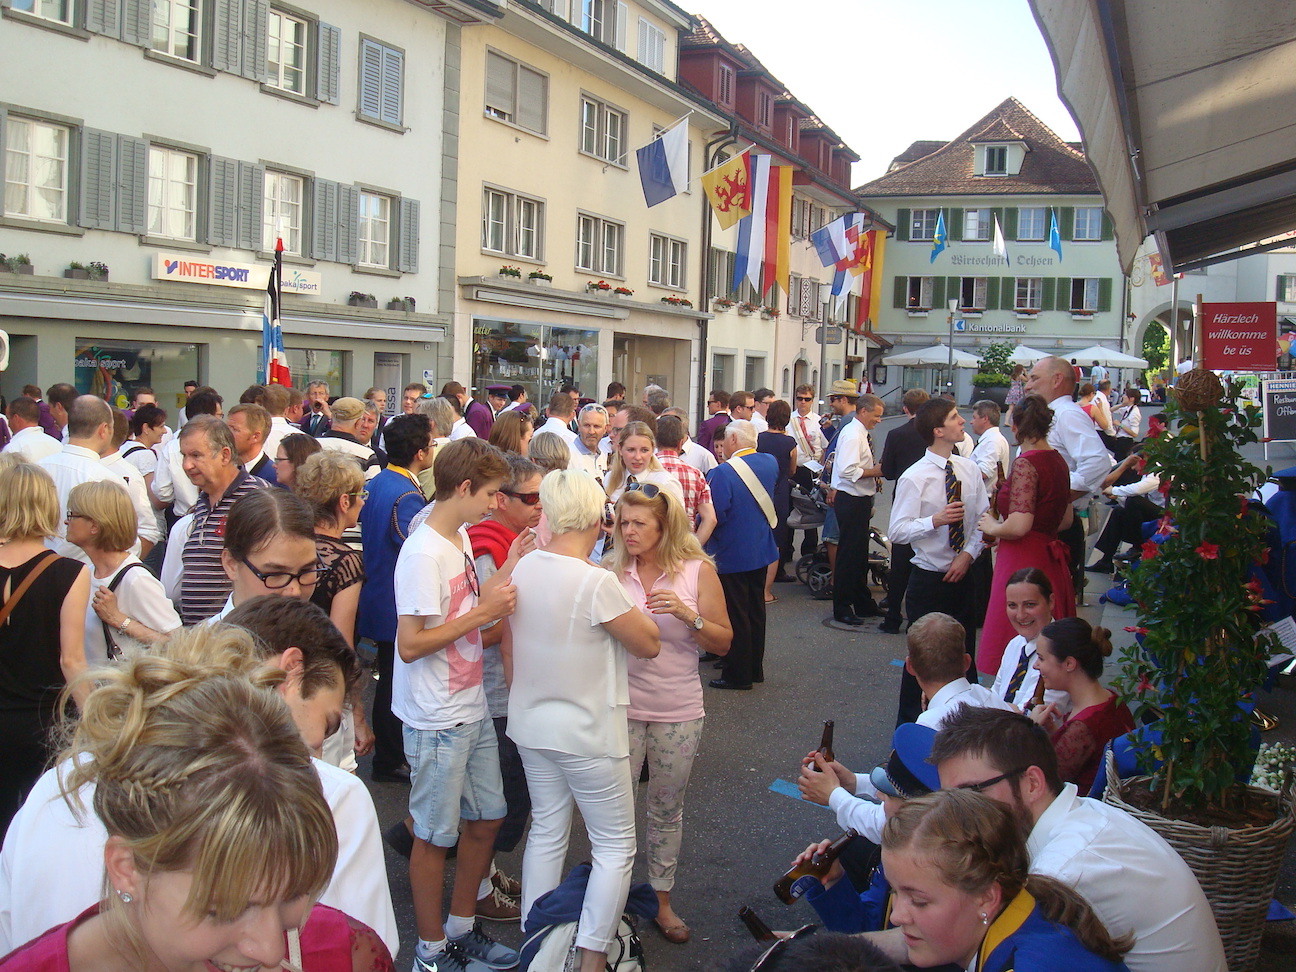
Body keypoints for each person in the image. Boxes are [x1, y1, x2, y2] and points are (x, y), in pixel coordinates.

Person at [0, 631, 395, 972]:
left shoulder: (347, 954)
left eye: (294, 893)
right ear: (126, 868)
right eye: (224, 910)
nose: (271, 949)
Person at [503, 470, 659, 972]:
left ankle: (536, 944)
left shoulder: (526, 566)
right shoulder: (596, 582)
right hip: (589, 732)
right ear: (597, 518)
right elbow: (648, 643)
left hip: (532, 723)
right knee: (614, 846)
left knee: (548, 828)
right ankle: (591, 956)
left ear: (548, 514)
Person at [931, 707, 1227, 972]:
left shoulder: (1062, 871)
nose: (955, 814)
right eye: (948, 799)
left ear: (1032, 783)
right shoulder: (1086, 815)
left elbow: (993, 956)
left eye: (969, 794)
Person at [393, 438, 520, 972]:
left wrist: (513, 563)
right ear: (464, 487)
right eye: (490, 493)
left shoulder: (459, 535)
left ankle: (461, 928)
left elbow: (468, 602)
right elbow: (410, 644)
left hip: (468, 705)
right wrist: (482, 615)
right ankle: (429, 951)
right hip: (436, 717)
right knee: (433, 837)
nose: (495, 503)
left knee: (488, 817)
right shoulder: (424, 552)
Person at [605, 485, 731, 944]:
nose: (629, 531)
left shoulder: (697, 571)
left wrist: (686, 615)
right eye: (624, 522)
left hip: (677, 709)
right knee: (614, 810)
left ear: (665, 527)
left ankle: (660, 900)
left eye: (640, 523)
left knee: (665, 810)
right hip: (620, 707)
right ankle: (610, 900)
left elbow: (723, 642)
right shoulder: (611, 571)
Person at [880, 789, 1132, 970]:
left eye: (919, 901)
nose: (897, 917)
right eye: (894, 892)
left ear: (986, 898)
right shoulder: (1028, 915)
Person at [466, 454, 546, 921]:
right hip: (494, 690)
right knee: (502, 799)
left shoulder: (515, 541)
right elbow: (483, 628)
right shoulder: (486, 547)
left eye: (542, 497)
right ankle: (478, 889)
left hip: (511, 685)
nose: (539, 506)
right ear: (501, 499)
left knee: (504, 795)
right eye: (530, 498)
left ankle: (486, 874)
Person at [0, 460, 90, 836]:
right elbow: (71, 660)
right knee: (44, 828)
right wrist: (97, 720)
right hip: (47, 724)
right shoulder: (69, 573)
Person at [888, 398, 988, 725]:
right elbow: (898, 531)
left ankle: (966, 730)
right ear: (938, 430)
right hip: (929, 580)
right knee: (921, 663)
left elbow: (984, 519)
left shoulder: (969, 469)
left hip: (963, 576)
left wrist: (968, 554)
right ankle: (911, 732)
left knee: (964, 658)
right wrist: (935, 520)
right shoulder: (915, 477)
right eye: (955, 417)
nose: (963, 421)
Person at [357, 413, 434, 784]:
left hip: (377, 590)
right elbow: (413, 546)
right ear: (419, 452)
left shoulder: (381, 481)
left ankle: (389, 757)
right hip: (393, 599)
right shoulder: (405, 494)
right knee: (393, 685)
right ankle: (389, 758)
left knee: (388, 679)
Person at [975, 395, 1076, 674]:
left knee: (1018, 627)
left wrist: (992, 527)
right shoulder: (1058, 461)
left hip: (1022, 555)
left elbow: (1019, 525)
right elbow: (1066, 520)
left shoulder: (1026, 463)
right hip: (1050, 553)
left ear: (1016, 427)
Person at [293, 451, 373, 771]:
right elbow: (342, 645)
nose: (363, 502)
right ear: (344, 501)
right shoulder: (345, 561)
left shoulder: (290, 548)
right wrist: (358, 715)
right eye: (360, 495)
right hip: (325, 689)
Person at [160, 416, 270, 624]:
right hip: (199, 635)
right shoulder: (202, 503)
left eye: (196, 455)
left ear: (225, 455)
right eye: (184, 456)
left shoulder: (257, 497)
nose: (187, 465)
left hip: (238, 632)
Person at [66, 481, 180, 665]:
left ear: (94, 525)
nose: (66, 521)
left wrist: (119, 620)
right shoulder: (88, 572)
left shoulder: (136, 579)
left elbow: (178, 644)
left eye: (72, 515)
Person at [1023, 357, 1112, 583]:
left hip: (1056, 528)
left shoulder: (1066, 414)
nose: (1028, 386)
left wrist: (1054, 494)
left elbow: (1098, 462)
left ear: (1057, 380)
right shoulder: (1055, 414)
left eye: (1034, 378)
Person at [704, 420, 777, 689]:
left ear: (733, 440)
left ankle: (738, 674)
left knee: (735, 614)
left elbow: (717, 514)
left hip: (731, 552)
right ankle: (755, 668)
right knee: (755, 610)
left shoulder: (723, 473)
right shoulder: (769, 462)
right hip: (760, 548)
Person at [38, 396, 148, 563]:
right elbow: (125, 544)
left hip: (35, 570)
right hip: (86, 573)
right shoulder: (108, 482)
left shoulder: (37, 469)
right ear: (103, 430)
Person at [1027, 618, 1133, 792]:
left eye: (1041, 658)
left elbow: (1041, 786)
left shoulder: (1082, 728)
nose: (1036, 666)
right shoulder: (1110, 698)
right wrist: (1056, 733)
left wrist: (1033, 731)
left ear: (1069, 663)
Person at [878, 389, 930, 634]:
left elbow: (888, 471)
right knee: (927, 555)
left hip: (905, 497)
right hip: (932, 500)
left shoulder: (897, 434)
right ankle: (919, 616)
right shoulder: (934, 433)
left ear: (905, 408)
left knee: (902, 556)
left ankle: (893, 614)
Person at [830, 394, 885, 625]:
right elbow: (848, 471)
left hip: (859, 499)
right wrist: (876, 471)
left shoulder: (860, 432)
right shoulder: (853, 435)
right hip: (851, 499)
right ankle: (842, 607)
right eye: (876, 416)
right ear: (863, 411)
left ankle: (863, 602)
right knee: (849, 556)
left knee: (859, 555)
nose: (879, 420)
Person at [987, 568, 1071, 714]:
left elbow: (1038, 716)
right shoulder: (1015, 644)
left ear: (1051, 602)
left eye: (1030, 605)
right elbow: (995, 695)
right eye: (1012, 605)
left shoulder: (1060, 652)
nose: (1020, 615)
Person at [653, 415, 716, 543]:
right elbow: (710, 519)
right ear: (680, 443)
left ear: (655, 440)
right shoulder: (696, 474)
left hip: (650, 543)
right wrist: (695, 548)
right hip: (684, 543)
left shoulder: (645, 471)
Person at [757, 400, 798, 597]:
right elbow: (792, 470)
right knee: (776, 539)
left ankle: (756, 582)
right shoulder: (790, 443)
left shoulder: (758, 439)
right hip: (780, 492)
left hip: (759, 490)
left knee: (758, 534)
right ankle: (768, 588)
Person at [604, 421, 683, 505]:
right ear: (620, 449)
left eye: (644, 450)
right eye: (631, 450)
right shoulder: (610, 479)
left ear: (653, 449)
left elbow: (677, 513)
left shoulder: (666, 483)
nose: (638, 457)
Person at [318, 397, 381, 477]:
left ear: (332, 418)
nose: (365, 425)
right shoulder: (367, 456)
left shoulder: (312, 445)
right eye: (363, 420)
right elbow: (373, 484)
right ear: (358, 423)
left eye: (370, 421)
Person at [226, 402, 279, 485]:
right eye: (226, 428)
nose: (226, 433)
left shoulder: (275, 479)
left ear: (255, 437)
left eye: (234, 429)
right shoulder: (222, 471)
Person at [3, 398, 59, 463]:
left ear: (16, 418)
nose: (8, 425)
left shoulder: (12, 450)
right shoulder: (58, 445)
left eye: (9, 419)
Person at [695, 389, 730, 457]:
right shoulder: (733, 422)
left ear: (718, 404)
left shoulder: (707, 424)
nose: (708, 406)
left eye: (709, 403)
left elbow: (701, 448)